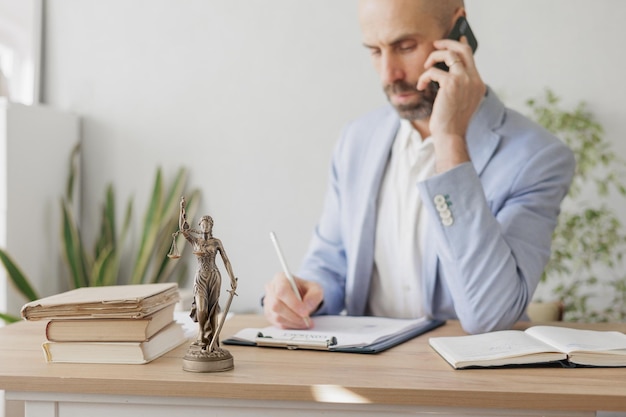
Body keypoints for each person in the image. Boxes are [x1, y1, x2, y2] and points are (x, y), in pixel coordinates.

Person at [263, 0, 575, 334]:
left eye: (406, 47)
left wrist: (450, 139)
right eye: (375, 51)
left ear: (459, 31)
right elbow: (331, 259)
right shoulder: (357, 139)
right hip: (365, 373)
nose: (389, 74)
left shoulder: (538, 158)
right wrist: (310, 293)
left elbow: (490, 315)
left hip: (468, 378)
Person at [176, 197, 237, 350]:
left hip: (214, 276)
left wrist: (232, 278)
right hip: (200, 277)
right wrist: (182, 210)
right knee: (202, 308)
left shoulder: (216, 242)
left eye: (208, 224)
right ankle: (202, 334)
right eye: (203, 224)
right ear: (200, 226)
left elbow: (226, 260)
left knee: (212, 309)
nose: (205, 226)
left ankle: (212, 342)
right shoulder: (195, 241)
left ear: (211, 226)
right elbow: (183, 230)